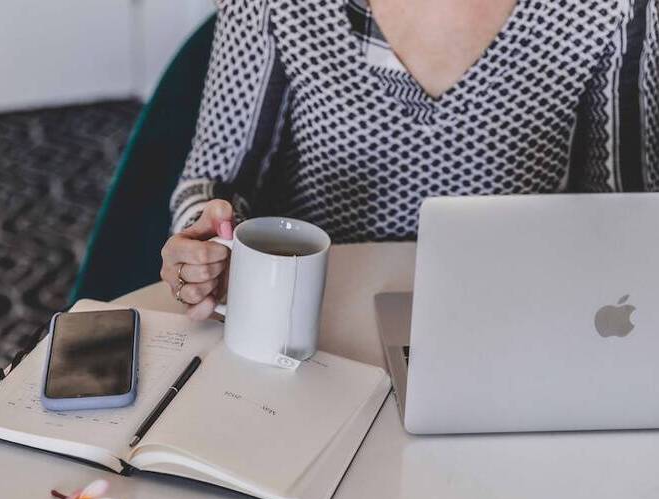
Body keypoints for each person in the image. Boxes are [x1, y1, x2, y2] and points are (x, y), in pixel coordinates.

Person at [161, 0, 659, 319]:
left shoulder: (609, 8)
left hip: (513, 329)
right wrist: (205, 252)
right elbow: (213, 182)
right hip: (312, 332)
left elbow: (628, 216)